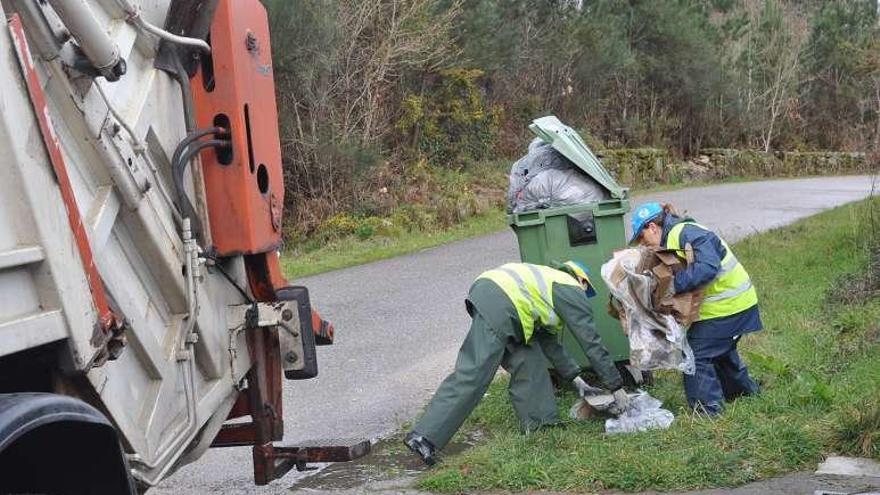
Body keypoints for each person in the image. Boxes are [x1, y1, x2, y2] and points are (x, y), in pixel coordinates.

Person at [404, 261, 629, 466]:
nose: (585, 295)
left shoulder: (545, 293)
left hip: (509, 309)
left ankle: (541, 425)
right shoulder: (568, 287)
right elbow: (590, 341)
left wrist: (577, 380)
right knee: (475, 372)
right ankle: (424, 436)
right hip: (498, 301)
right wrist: (616, 385)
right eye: (586, 289)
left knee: (529, 363)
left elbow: (551, 345)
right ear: (581, 280)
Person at [630, 202, 761, 416]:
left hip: (730, 307)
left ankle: (707, 412)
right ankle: (742, 392)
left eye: (642, 238)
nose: (644, 245)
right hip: (730, 306)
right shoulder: (675, 236)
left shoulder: (687, 232)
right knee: (720, 350)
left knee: (695, 355)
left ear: (653, 227)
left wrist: (673, 286)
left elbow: (708, 267)